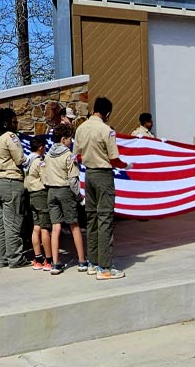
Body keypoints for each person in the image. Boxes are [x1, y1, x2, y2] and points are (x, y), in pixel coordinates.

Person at [74, 97, 132, 280]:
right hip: (103, 176)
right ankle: (105, 267)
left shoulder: (81, 128)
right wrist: (126, 165)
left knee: (91, 219)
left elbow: (78, 155)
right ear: (107, 113)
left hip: (88, 176)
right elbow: (114, 159)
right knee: (105, 219)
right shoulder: (106, 130)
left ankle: (93, 262)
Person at [0, 108, 29, 269]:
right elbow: (19, 158)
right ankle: (15, 258)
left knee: (0, 223)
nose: (17, 124)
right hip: (10, 181)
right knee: (13, 223)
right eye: (14, 121)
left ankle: (1, 258)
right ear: (7, 122)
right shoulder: (9, 137)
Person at [45, 124, 87, 275]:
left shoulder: (48, 155)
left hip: (51, 191)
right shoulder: (68, 156)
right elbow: (73, 180)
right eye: (70, 138)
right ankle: (82, 261)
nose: (71, 141)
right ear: (63, 140)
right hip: (65, 191)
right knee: (74, 225)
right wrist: (79, 197)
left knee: (56, 227)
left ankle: (56, 263)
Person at [24, 137, 53, 271]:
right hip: (40, 194)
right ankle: (49, 259)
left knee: (36, 226)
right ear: (41, 147)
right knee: (45, 227)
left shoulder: (27, 160)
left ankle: (38, 258)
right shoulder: (39, 161)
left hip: (31, 194)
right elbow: (45, 178)